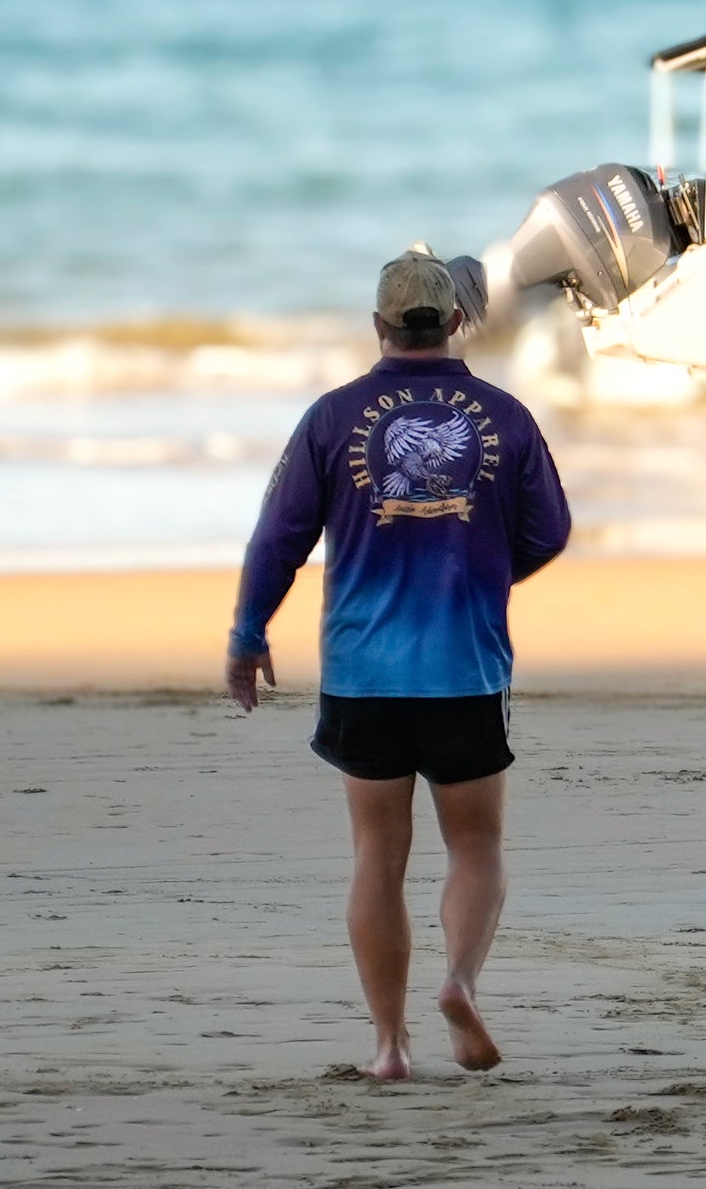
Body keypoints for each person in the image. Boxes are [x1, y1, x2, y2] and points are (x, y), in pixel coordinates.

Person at [229, 247, 572, 1082]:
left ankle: (389, 1046)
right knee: (477, 844)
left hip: (364, 673)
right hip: (465, 668)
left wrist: (247, 633)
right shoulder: (508, 416)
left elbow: (280, 537)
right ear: (457, 320)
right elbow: (551, 528)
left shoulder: (331, 415)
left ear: (379, 325)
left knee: (377, 855)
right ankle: (458, 981)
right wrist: (486, 569)